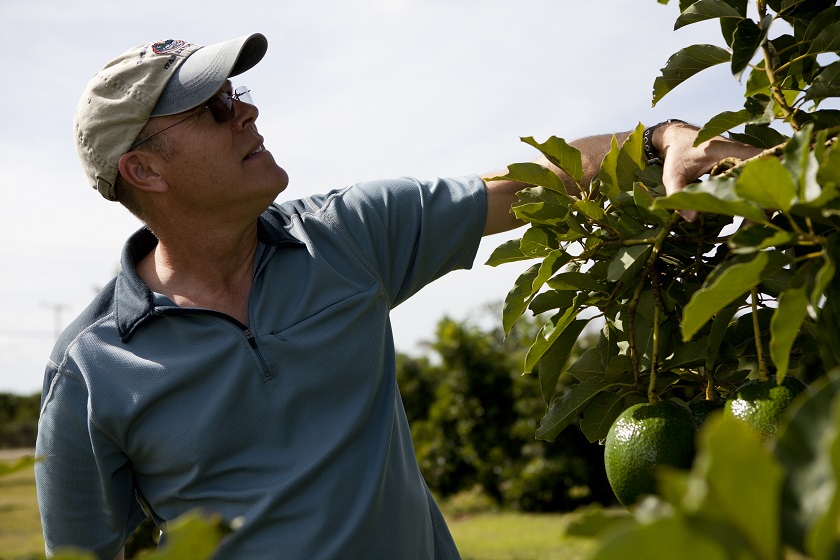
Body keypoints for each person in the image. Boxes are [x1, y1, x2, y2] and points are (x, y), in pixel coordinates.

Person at [34, 32, 762, 560]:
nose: (246, 113)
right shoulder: (91, 371)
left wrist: (664, 139)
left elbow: (526, 186)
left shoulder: (344, 236)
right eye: (213, 108)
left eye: (239, 95)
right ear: (144, 170)